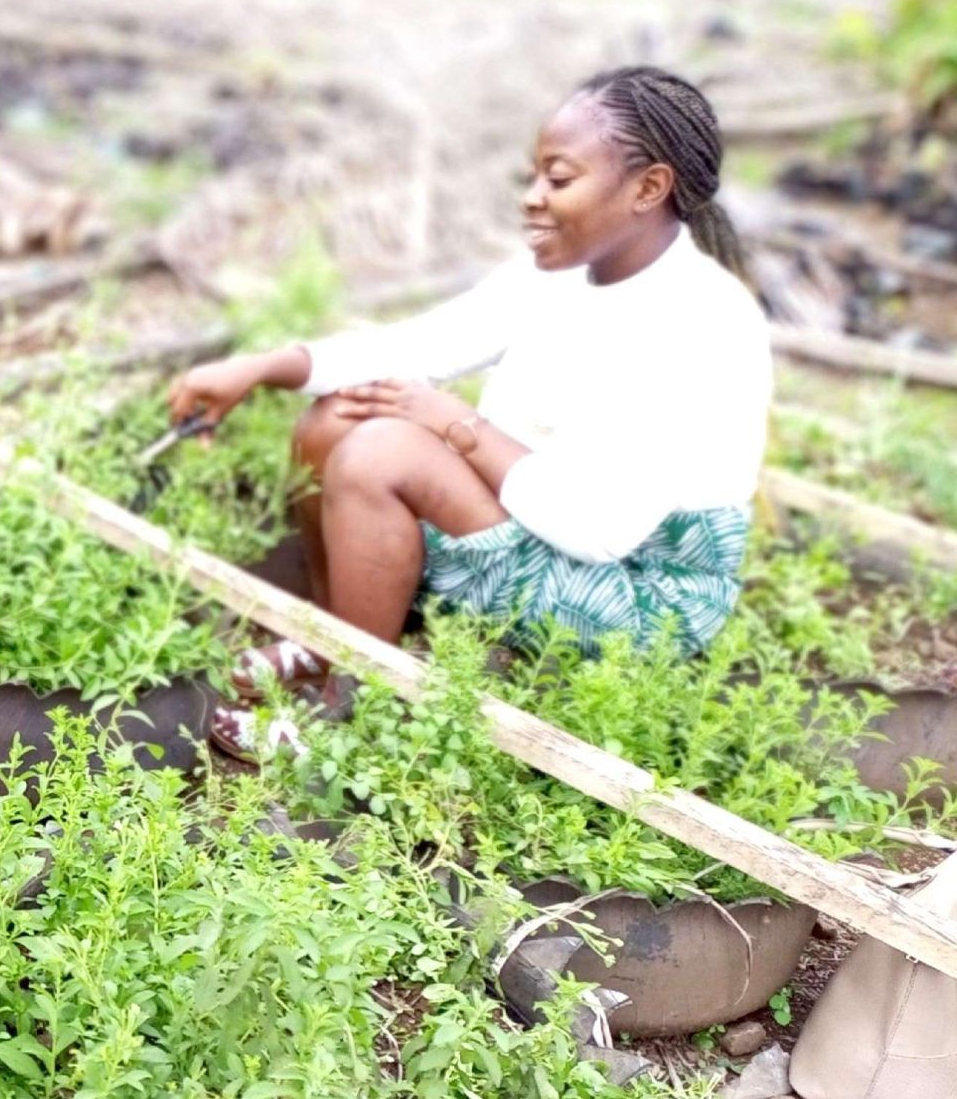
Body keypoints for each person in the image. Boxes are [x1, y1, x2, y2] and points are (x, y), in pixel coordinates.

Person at [165, 64, 772, 755]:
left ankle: (353, 710)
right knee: (334, 422)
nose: (533, 199)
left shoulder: (698, 328)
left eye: (559, 178)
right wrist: (261, 368)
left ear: (649, 187)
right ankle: (340, 634)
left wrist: (457, 425)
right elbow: (420, 345)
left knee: (378, 452)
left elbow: (597, 530)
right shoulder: (569, 269)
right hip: (540, 511)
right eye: (534, 176)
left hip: (634, 592)